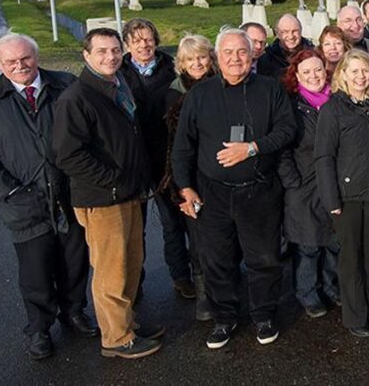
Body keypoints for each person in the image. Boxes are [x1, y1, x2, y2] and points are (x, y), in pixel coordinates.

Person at [172, 27, 296, 349]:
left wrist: (253, 148)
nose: (235, 58)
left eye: (242, 51)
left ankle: (264, 314)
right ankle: (224, 319)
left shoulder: (270, 89)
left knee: (264, 258)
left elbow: (287, 129)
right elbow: (183, 146)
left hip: (259, 191)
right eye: (227, 53)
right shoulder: (200, 95)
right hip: (212, 193)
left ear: (252, 54)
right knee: (216, 260)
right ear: (217, 57)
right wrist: (185, 187)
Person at [0, 29, 95, 360]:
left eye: (26, 58)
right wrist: (9, 192)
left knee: (74, 261)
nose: (20, 65)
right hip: (21, 201)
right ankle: (39, 328)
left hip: (70, 193)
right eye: (11, 61)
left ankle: (74, 311)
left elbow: (88, 130)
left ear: (37, 57)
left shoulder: (66, 85)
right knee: (36, 270)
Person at [53, 28, 162, 359]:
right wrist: (111, 180)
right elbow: (68, 154)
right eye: (101, 51)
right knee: (111, 272)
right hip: (102, 199)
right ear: (86, 56)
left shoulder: (117, 84)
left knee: (131, 263)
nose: (110, 57)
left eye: (115, 50)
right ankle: (116, 338)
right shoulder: (77, 97)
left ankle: (125, 323)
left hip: (127, 193)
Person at [315, 50, 369, 338]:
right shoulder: (333, 109)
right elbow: (324, 157)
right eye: (354, 71)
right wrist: (331, 200)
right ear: (342, 75)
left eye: (365, 71)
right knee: (352, 258)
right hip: (347, 196)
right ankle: (355, 317)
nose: (360, 77)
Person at [118, 18, 190, 299]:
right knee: (134, 230)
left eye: (148, 39)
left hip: (164, 158)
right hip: (133, 161)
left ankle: (181, 277)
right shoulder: (118, 71)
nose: (143, 45)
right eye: (136, 41)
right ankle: (135, 283)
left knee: (173, 223)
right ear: (127, 44)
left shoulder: (171, 68)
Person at [158, 34, 217, 322]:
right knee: (198, 239)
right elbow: (174, 147)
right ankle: (204, 297)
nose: (197, 63)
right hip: (192, 177)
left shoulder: (222, 84)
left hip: (221, 173)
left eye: (202, 57)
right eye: (190, 59)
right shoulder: (174, 94)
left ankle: (224, 290)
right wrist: (182, 187)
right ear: (181, 63)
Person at [277, 48, 340, 319]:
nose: (314, 75)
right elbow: (282, 149)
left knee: (334, 241)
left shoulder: (337, 101)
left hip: (335, 183)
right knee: (308, 245)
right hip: (304, 185)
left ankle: (331, 286)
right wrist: (293, 181)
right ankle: (307, 293)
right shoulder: (291, 106)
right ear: (297, 75)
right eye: (307, 72)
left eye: (318, 70)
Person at [257, 14, 313, 79]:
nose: (291, 36)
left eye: (295, 31)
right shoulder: (267, 57)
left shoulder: (313, 53)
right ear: (277, 33)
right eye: (285, 32)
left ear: (301, 31)